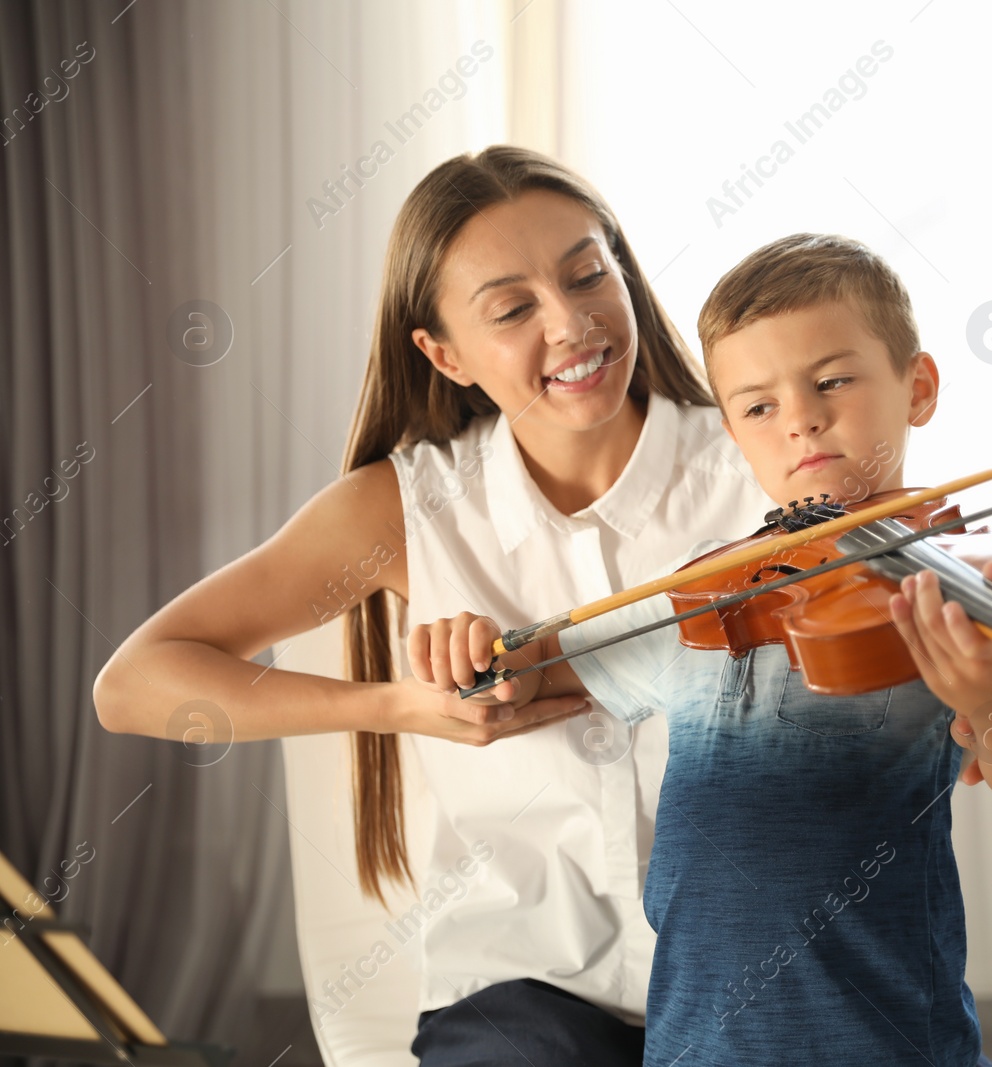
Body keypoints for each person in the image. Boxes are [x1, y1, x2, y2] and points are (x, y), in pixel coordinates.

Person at [93, 146, 776, 1066]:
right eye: (513, 309)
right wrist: (399, 707)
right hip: (522, 987)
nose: (572, 325)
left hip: (753, 960)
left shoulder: (761, 461)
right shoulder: (406, 508)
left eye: (587, 275)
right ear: (444, 353)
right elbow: (133, 684)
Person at [413, 234, 992, 1066]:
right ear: (731, 430)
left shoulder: (949, 591)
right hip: (699, 1041)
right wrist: (478, 649)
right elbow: (524, 675)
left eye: (832, 380)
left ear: (919, 387)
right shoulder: (703, 595)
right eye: (759, 407)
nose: (800, 417)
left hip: (886, 1036)